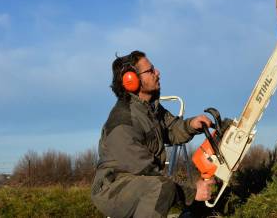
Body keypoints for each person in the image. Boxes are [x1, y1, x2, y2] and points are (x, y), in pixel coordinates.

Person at [91, 50, 215, 218]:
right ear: (131, 81)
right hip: (112, 189)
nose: (157, 72)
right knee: (162, 187)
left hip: (138, 182)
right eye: (150, 70)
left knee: (162, 186)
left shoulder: (150, 108)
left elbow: (172, 129)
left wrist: (191, 125)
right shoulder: (123, 122)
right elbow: (145, 170)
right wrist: (193, 192)